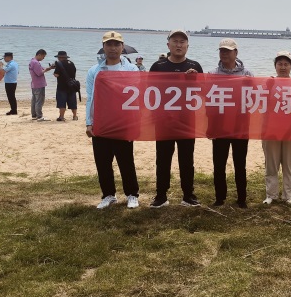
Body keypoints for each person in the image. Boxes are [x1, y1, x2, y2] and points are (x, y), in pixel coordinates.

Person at [86, 31, 141, 209]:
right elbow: (90, 98)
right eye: (109, 44)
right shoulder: (94, 71)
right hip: (101, 123)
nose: (113, 48)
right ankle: (108, 195)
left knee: (126, 161)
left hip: (123, 123)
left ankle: (132, 194)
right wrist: (89, 122)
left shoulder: (131, 70)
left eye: (116, 44)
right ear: (103, 47)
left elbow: (137, 98)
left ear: (122, 47)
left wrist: (135, 124)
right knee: (103, 162)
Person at [148, 30, 203, 208]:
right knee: (163, 160)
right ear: (168, 45)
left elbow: (203, 92)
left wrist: (195, 80)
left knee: (186, 160)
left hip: (187, 121)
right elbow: (149, 92)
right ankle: (161, 196)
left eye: (182, 42)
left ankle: (188, 195)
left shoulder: (195, 66)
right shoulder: (158, 66)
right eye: (175, 41)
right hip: (164, 121)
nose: (179, 45)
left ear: (187, 46)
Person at [209, 38, 254, 208]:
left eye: (228, 51)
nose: (224, 54)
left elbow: (254, 98)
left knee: (240, 164)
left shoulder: (247, 74)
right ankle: (220, 198)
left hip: (240, 126)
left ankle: (241, 199)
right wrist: (210, 126)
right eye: (222, 51)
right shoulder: (212, 74)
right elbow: (208, 101)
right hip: (219, 126)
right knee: (219, 164)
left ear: (236, 53)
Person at [261, 51, 291, 206]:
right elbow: (258, 102)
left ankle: (288, 196)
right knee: (271, 165)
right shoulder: (268, 83)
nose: (283, 67)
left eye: (286, 64)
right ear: (275, 66)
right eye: (280, 64)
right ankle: (271, 195)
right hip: (271, 130)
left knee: (289, 165)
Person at [28, 49, 53, 121]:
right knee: (39, 100)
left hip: (34, 83)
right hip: (39, 84)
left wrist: (49, 68)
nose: (43, 58)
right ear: (39, 55)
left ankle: (34, 114)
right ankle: (39, 116)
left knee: (34, 100)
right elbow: (39, 73)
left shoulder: (32, 61)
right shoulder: (35, 63)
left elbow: (42, 70)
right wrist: (45, 70)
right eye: (43, 56)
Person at [53, 51, 79, 121]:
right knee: (73, 102)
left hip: (62, 86)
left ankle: (61, 116)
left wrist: (54, 71)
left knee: (62, 102)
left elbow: (56, 75)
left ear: (60, 57)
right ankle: (75, 116)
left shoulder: (59, 64)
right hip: (72, 85)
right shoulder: (72, 63)